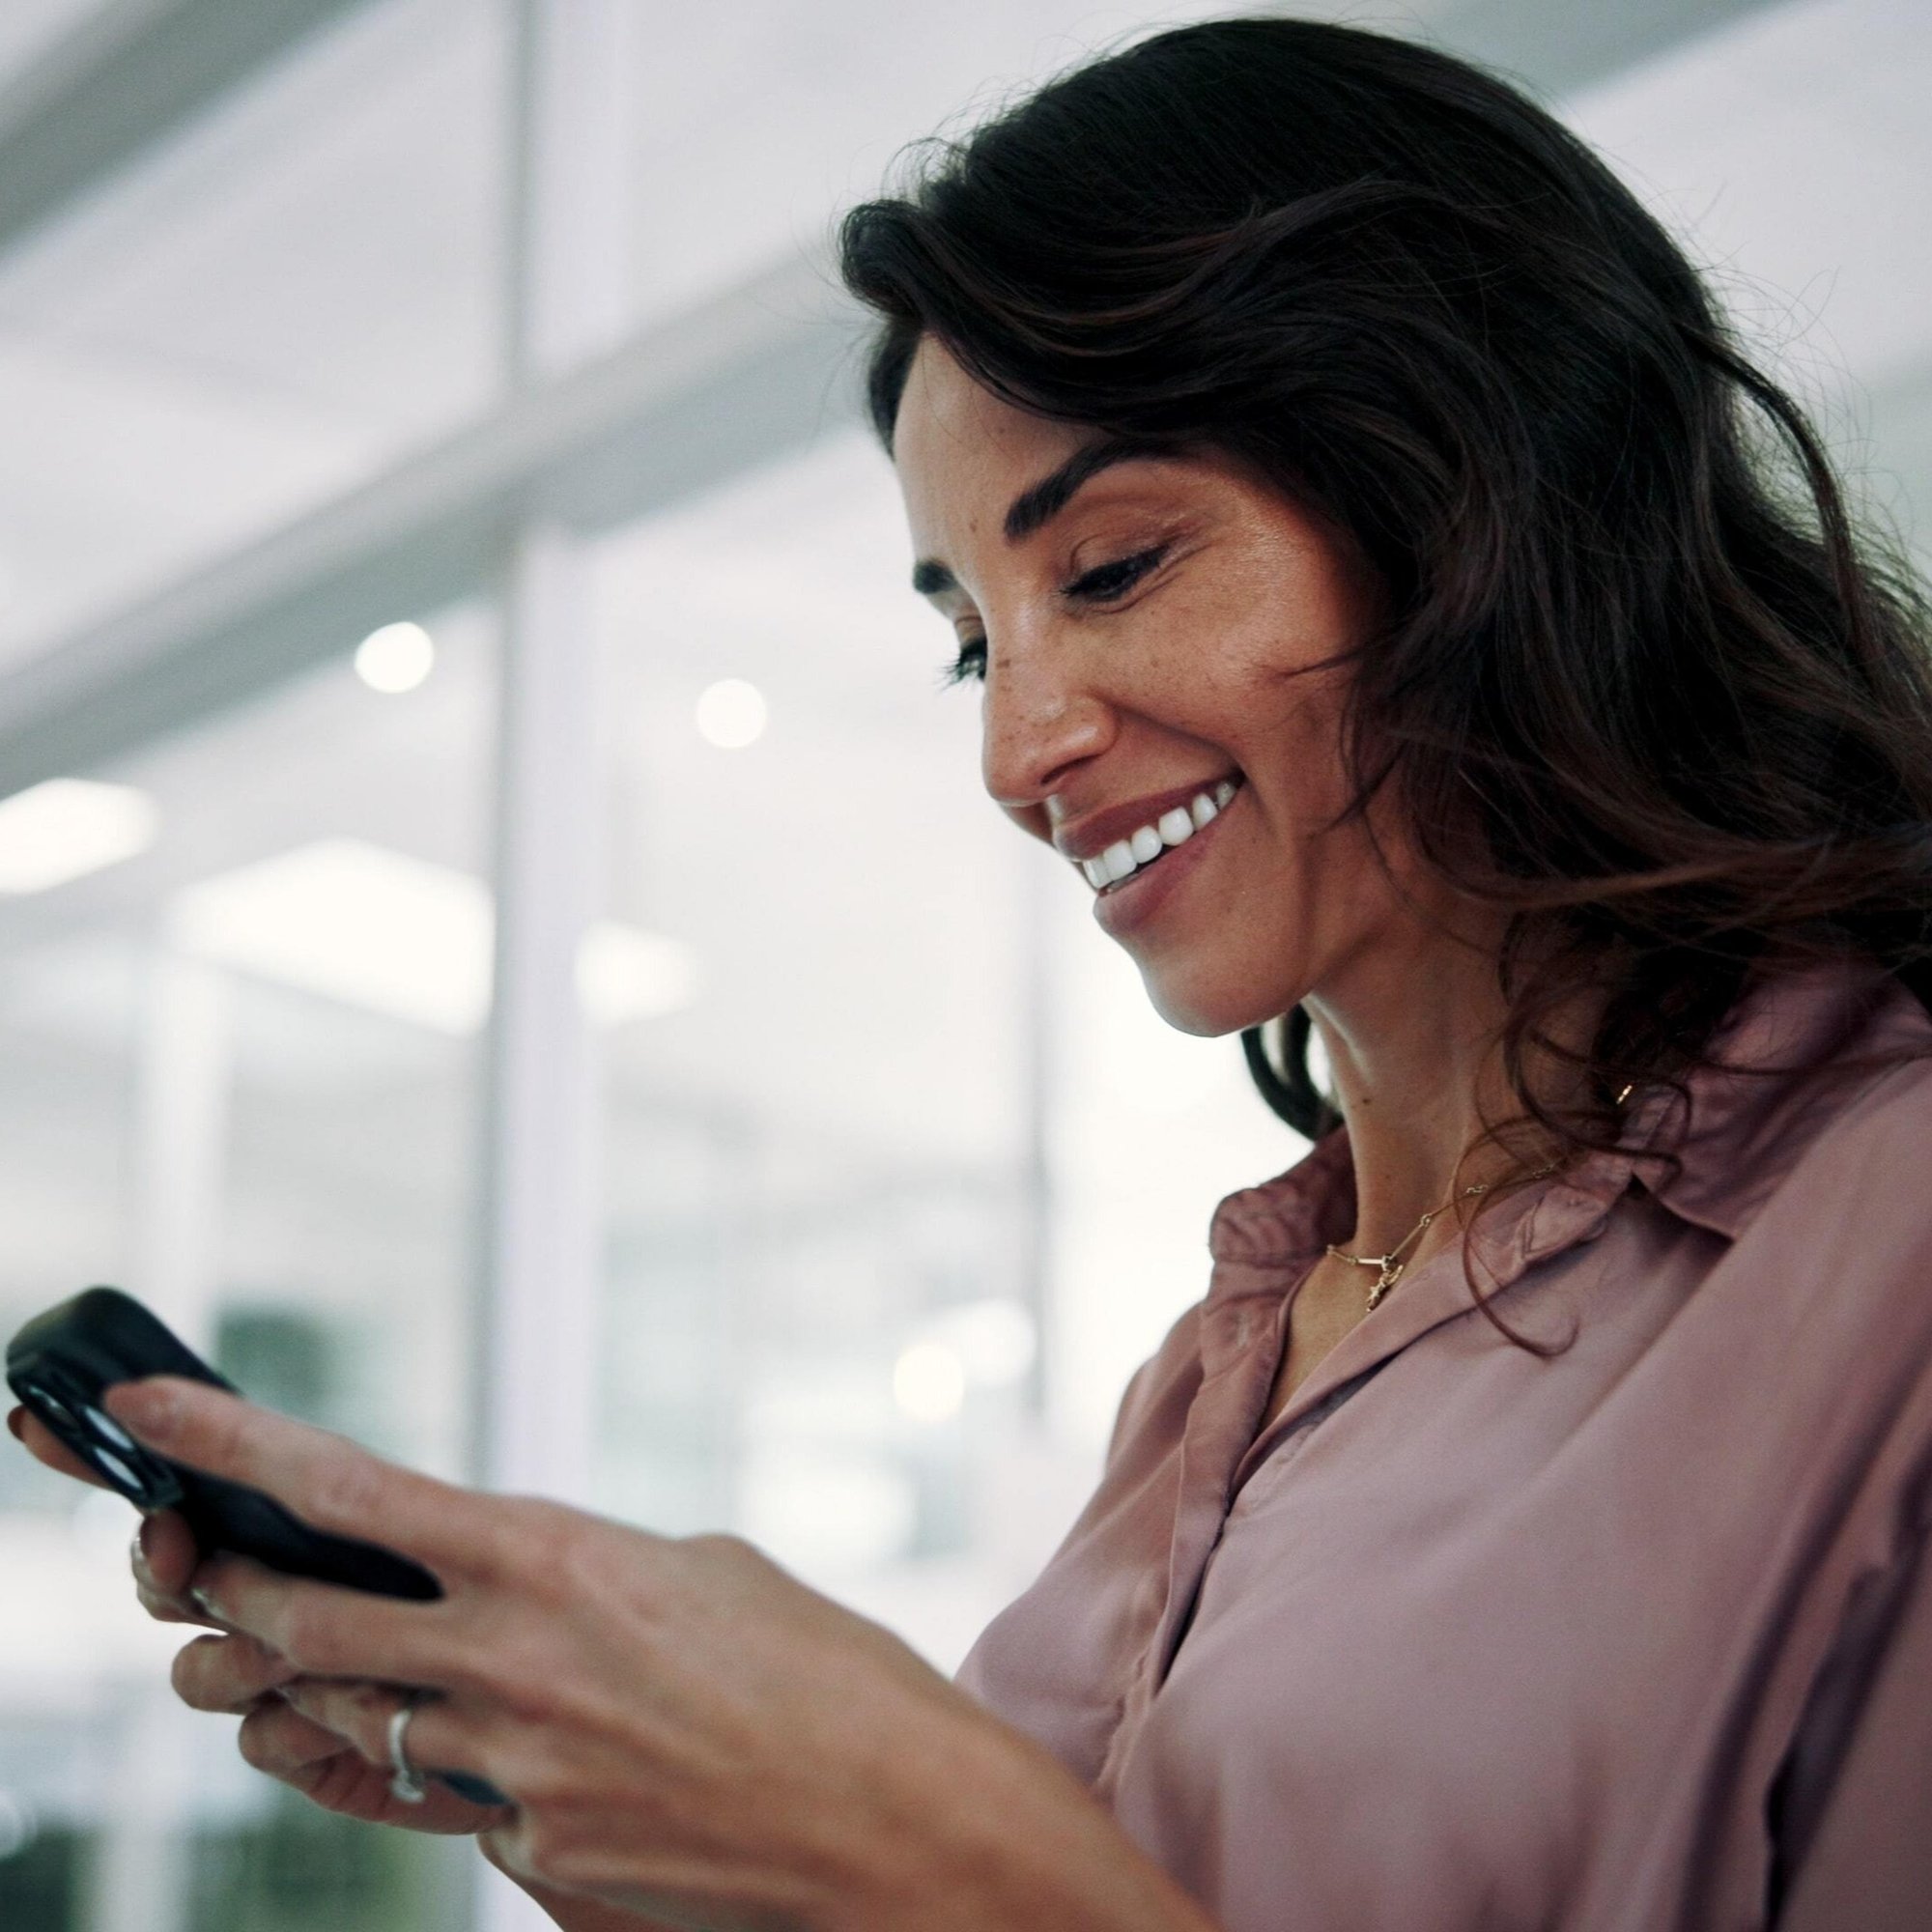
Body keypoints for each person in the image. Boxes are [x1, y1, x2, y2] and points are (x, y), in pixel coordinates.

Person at [14, 16, 1932, 1929]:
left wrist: (927, 1864)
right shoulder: (1220, 1368)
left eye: (1105, 571)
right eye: (969, 642)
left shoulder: (1882, 1252)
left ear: (1476, 507)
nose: (1016, 754)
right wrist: (690, 1828)